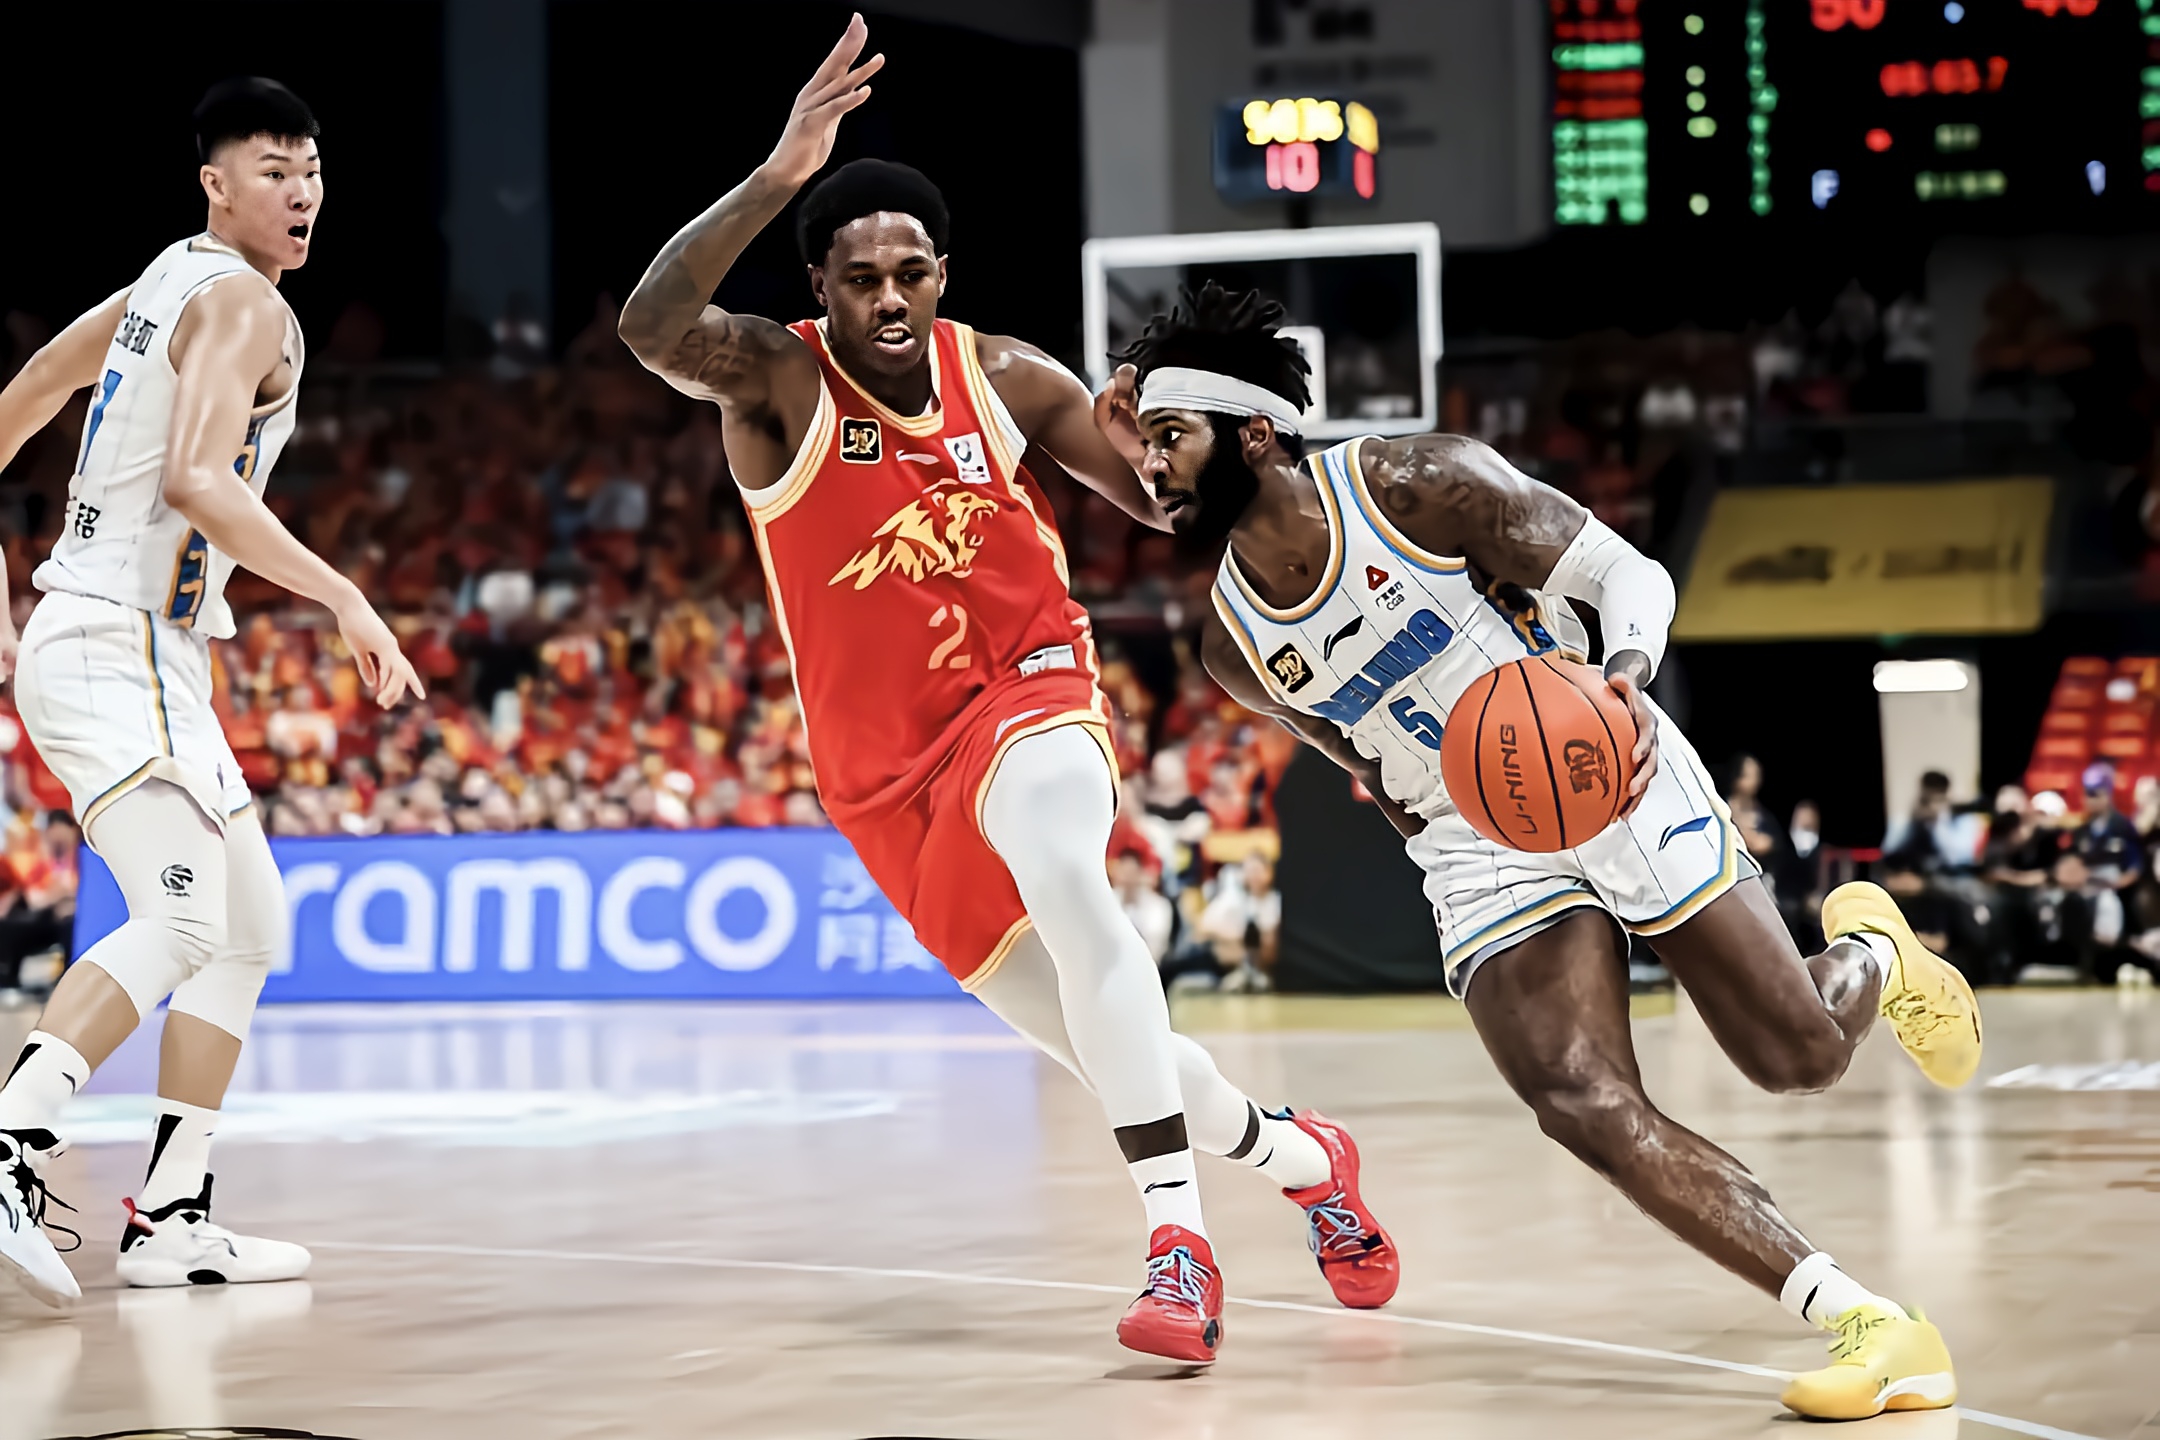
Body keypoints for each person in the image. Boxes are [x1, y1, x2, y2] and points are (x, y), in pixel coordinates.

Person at [615, 18, 1395, 1363]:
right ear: (821, 284)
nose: (891, 298)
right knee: (1106, 1045)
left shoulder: (1010, 374)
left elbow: (1161, 505)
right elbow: (651, 328)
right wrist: (781, 172)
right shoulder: (779, 380)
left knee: (1070, 877)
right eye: (862, 277)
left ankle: (1177, 1247)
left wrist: (1191, 449)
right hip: (883, 784)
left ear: (943, 275)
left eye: (912, 272)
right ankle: (1307, 1159)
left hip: (1030, 693)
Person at [1103, 282, 1984, 1419]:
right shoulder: (1232, 644)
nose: (1150, 466)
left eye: (1171, 436)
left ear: (1255, 434)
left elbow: (1630, 577)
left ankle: (1874, 952)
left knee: (1797, 1057)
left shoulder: (1416, 485)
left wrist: (1624, 674)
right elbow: (1362, 762)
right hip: (1473, 836)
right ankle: (1870, 1323)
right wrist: (1441, 828)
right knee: (1577, 1098)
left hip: (1599, 756)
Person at [0, 78, 424, 1304]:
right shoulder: (242, 302)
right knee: (185, 920)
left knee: (248, 930)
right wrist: (345, 596)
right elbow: (196, 479)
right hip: (117, 639)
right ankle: (15, 1139)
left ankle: (172, 1217)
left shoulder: (162, 284)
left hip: (142, 649)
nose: (301, 193)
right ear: (216, 185)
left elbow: (33, 387)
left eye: (312, 170)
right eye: (274, 171)